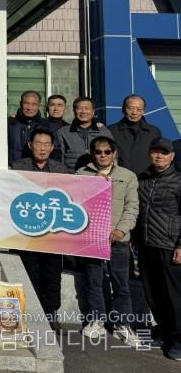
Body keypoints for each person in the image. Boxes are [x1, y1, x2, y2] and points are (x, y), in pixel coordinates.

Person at [76, 136, 140, 345]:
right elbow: (76, 203)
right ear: (92, 154)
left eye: (107, 152)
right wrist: (91, 184)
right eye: (98, 152)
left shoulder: (127, 176)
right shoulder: (81, 174)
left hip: (118, 239)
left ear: (114, 153)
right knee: (94, 281)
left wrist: (121, 230)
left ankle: (123, 324)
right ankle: (97, 320)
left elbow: (132, 206)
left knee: (121, 284)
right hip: (92, 238)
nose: (102, 155)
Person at [12, 128, 68, 329]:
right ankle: (31, 314)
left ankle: (51, 315)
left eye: (46, 144)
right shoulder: (18, 167)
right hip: (26, 230)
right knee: (30, 272)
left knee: (52, 275)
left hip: (52, 233)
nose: (42, 148)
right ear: (30, 145)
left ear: (52, 148)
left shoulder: (61, 170)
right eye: (38, 143)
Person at [136, 138, 181, 360]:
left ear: (172, 156)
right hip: (147, 245)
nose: (159, 156)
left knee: (174, 297)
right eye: (155, 151)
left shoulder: (179, 181)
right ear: (149, 154)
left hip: (169, 246)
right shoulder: (143, 179)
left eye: (164, 152)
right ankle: (163, 332)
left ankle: (178, 341)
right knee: (153, 295)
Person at [108, 95, 162, 176]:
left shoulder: (154, 132)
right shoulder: (111, 131)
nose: (134, 113)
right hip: (120, 178)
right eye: (130, 108)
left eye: (139, 109)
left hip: (147, 179)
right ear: (123, 109)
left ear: (143, 111)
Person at [56, 96, 112, 171]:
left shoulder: (103, 132)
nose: (83, 111)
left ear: (93, 111)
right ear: (74, 111)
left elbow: (113, 156)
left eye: (87, 108)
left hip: (99, 174)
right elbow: (60, 159)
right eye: (79, 108)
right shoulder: (63, 132)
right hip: (72, 175)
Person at [8, 90, 54, 166]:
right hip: (12, 168)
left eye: (34, 104)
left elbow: (53, 152)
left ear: (39, 105)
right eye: (26, 103)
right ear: (20, 104)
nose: (29, 107)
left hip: (36, 170)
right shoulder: (9, 124)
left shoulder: (47, 126)